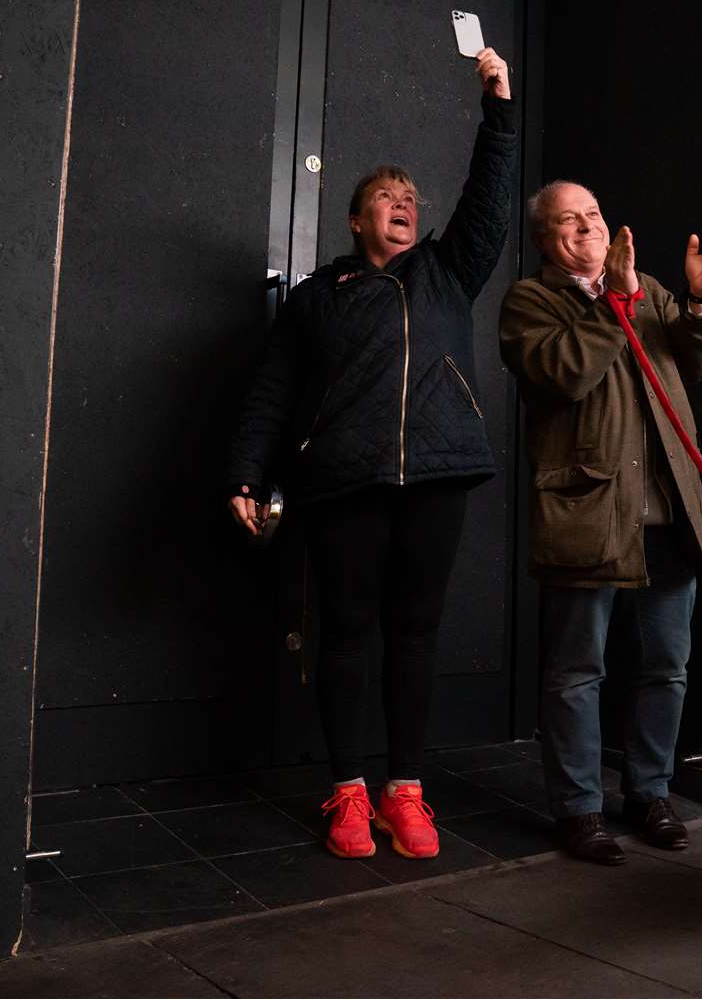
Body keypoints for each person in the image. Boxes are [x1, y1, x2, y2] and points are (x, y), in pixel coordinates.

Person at [226, 49, 516, 861]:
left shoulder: (445, 272)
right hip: (342, 480)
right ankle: (348, 790)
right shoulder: (319, 297)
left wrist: (498, 109)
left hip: (438, 472)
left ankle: (405, 793)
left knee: (415, 633)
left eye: (409, 198)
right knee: (347, 633)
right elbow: (271, 394)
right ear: (355, 221)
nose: (401, 202)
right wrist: (246, 474)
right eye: (384, 196)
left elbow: (488, 203)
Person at [498, 181, 702, 864]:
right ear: (546, 239)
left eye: (592, 214)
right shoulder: (529, 301)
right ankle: (577, 809)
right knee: (577, 670)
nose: (584, 227)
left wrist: (698, 299)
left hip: (667, 509)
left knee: (667, 663)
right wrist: (613, 304)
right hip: (588, 509)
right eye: (566, 221)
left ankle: (649, 791)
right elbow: (562, 373)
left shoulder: (648, 287)